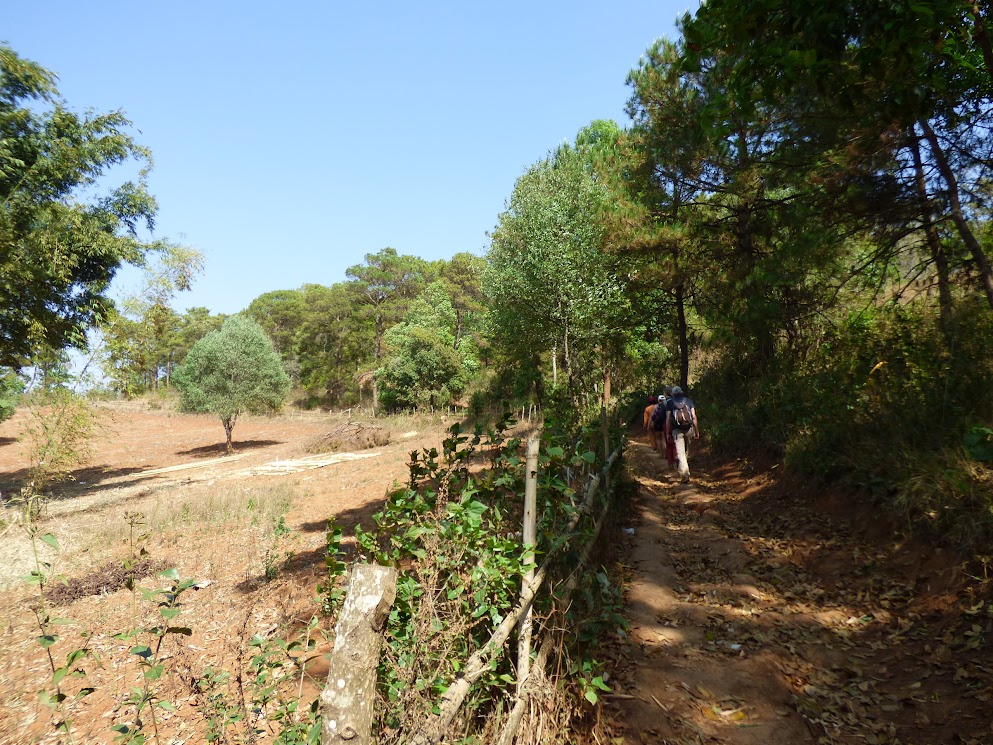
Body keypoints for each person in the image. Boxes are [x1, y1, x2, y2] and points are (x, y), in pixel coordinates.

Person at [664, 385, 699, 483]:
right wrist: (696, 431)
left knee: (681, 453)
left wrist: (667, 433)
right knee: (686, 451)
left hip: (676, 430)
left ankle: (685, 472)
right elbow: (694, 416)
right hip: (689, 429)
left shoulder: (669, 403)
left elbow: (668, 419)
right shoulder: (689, 401)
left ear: (673, 394)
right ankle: (685, 472)